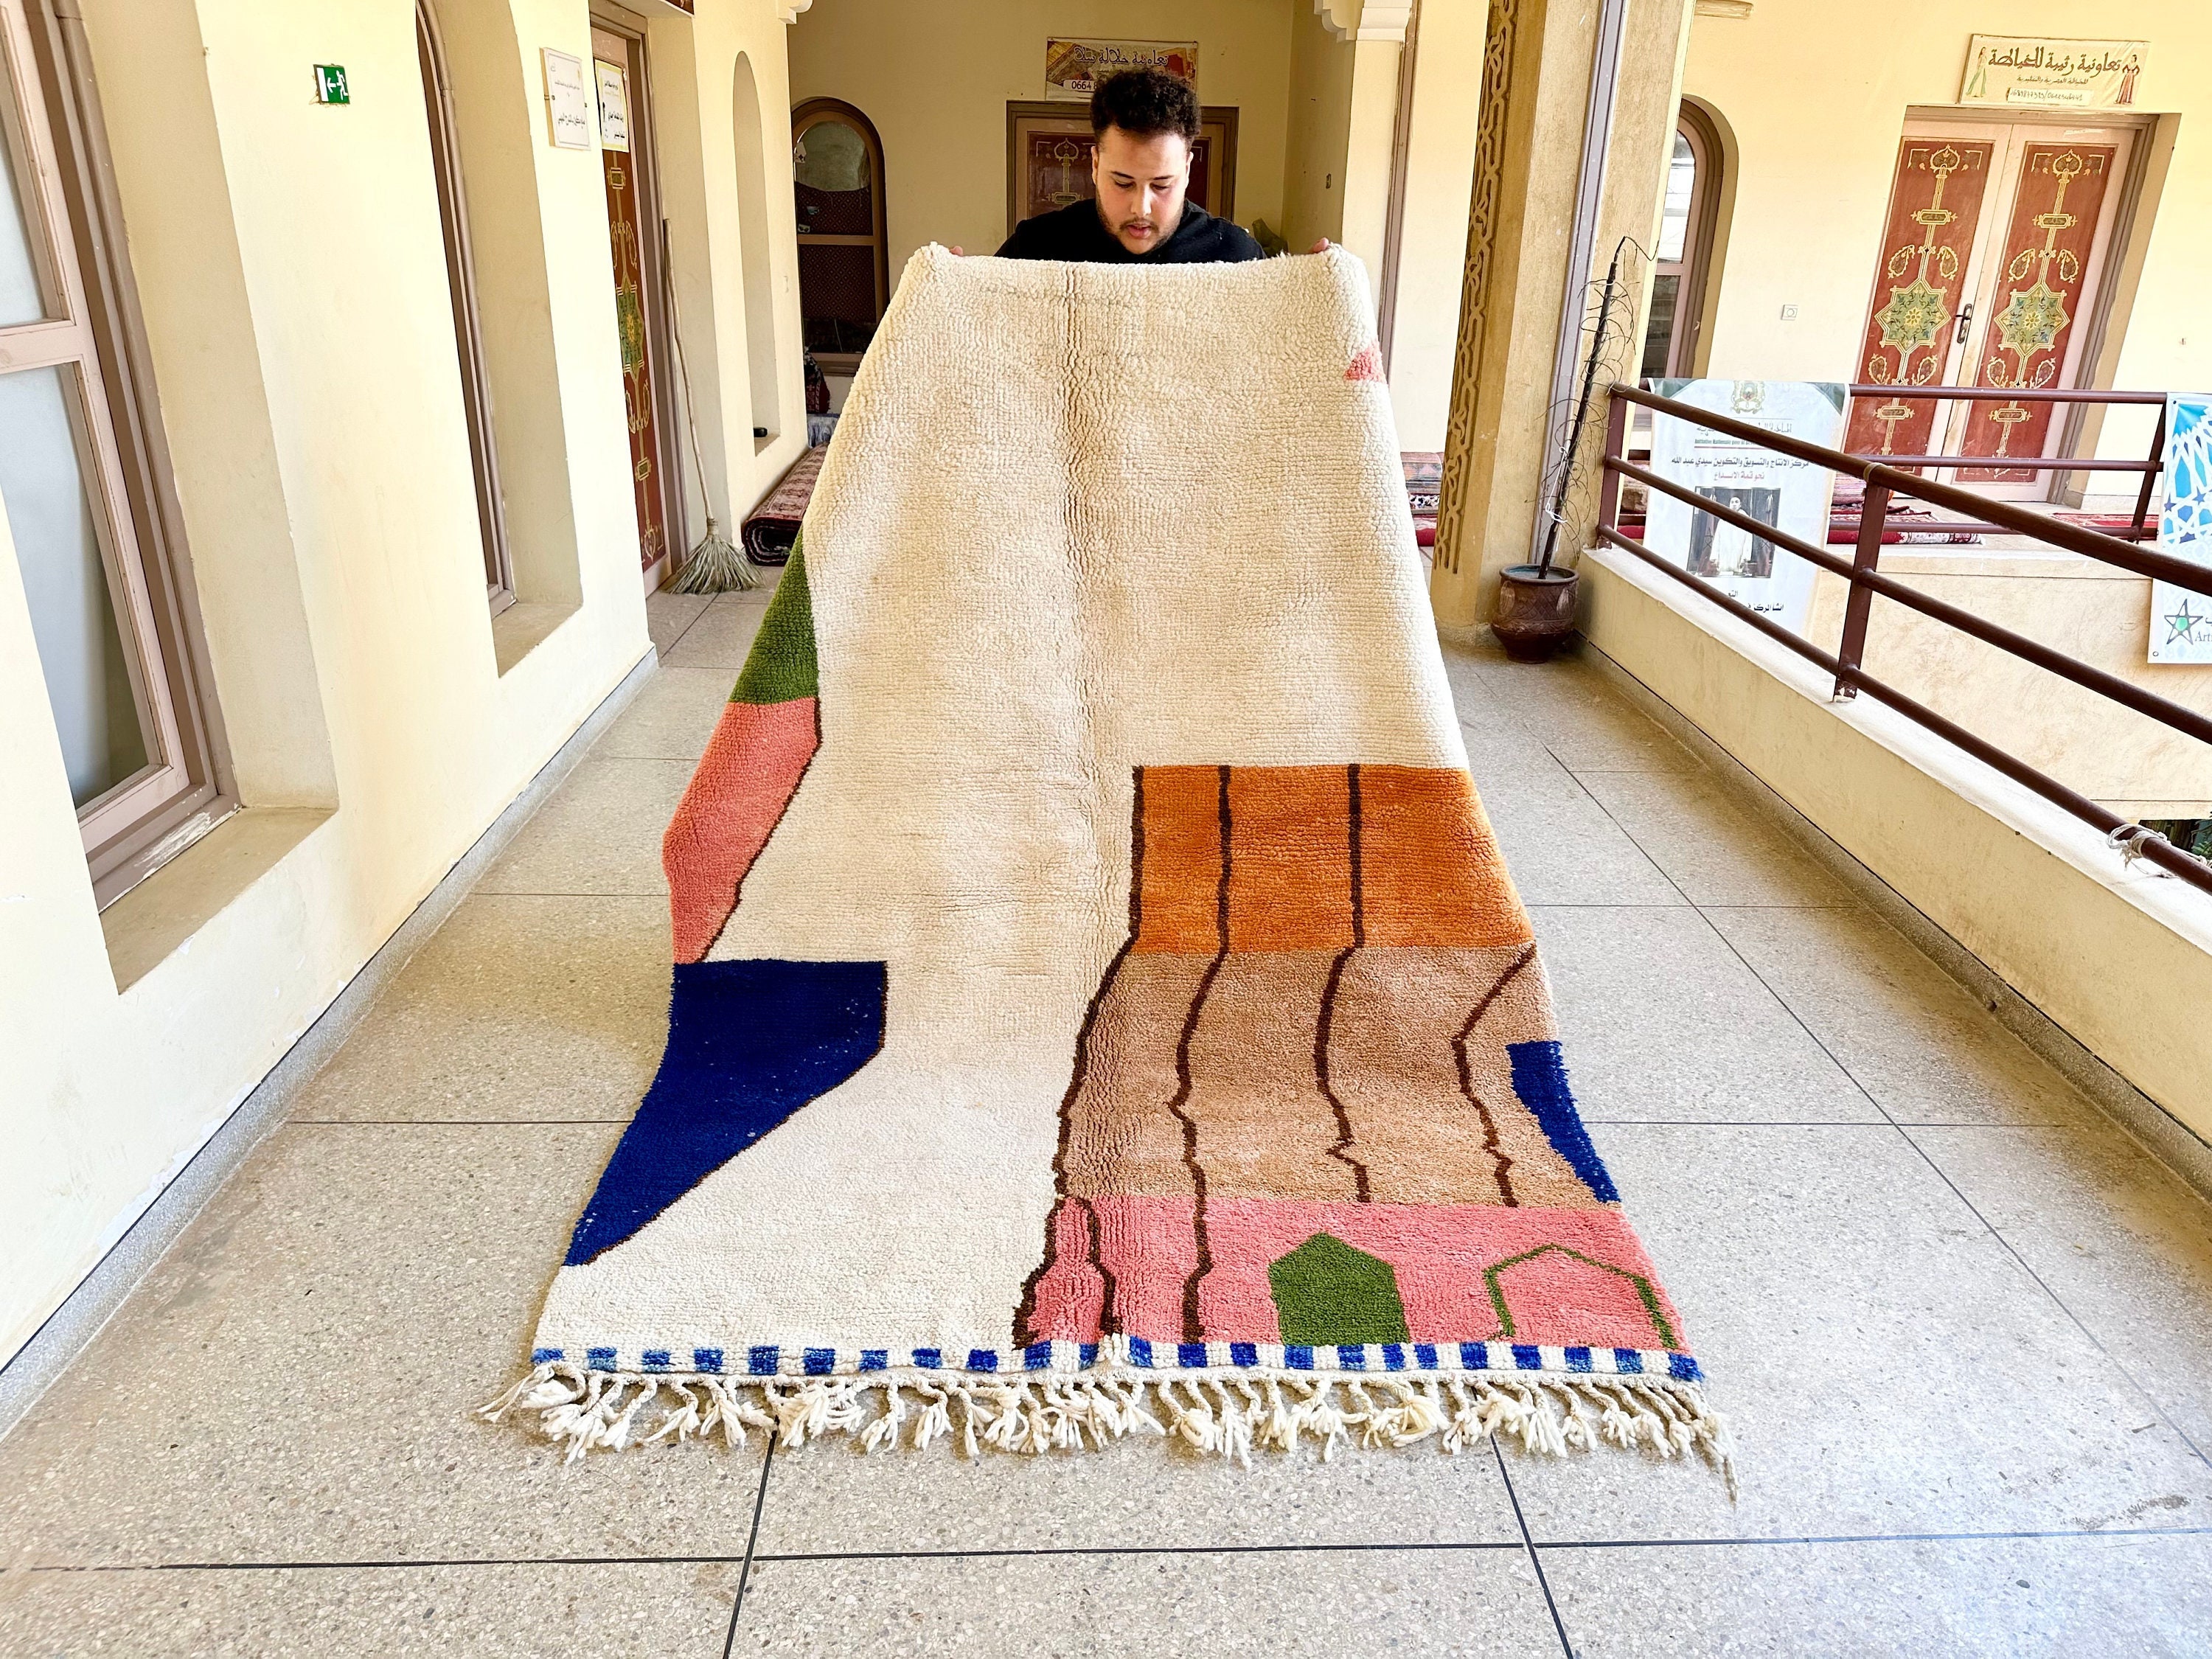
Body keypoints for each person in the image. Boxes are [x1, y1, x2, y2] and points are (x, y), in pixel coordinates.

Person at [995, 67, 1265, 265]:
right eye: (1123, 183)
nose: (1141, 208)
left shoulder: (1236, 257)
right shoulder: (1034, 248)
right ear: (1095, 165)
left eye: (1161, 185)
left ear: (1186, 171)